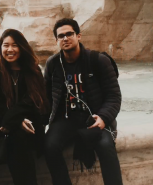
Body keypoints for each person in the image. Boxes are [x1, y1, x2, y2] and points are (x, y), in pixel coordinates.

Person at [43, 18, 123, 185]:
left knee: (106, 147)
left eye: (69, 34)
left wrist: (103, 118)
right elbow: (46, 98)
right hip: (66, 120)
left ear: (78, 36)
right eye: (61, 36)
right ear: (56, 40)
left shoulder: (98, 60)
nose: (65, 38)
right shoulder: (53, 64)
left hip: (94, 119)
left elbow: (114, 96)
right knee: (49, 146)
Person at [0, 29, 50, 185]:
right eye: (5, 45)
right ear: (0, 48)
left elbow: (35, 102)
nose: (9, 49)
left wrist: (14, 120)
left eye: (15, 45)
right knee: (18, 138)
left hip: (31, 126)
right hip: (4, 127)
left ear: (22, 47)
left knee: (20, 140)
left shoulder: (33, 71)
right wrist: (17, 122)